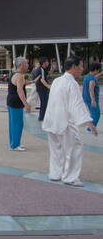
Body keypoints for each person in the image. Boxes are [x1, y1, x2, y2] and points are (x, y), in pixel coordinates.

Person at [42, 55, 98, 187]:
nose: (82, 69)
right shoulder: (71, 83)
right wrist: (89, 122)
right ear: (74, 67)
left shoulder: (57, 81)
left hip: (52, 120)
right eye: (81, 66)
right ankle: (70, 177)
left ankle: (55, 173)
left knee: (56, 149)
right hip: (65, 122)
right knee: (74, 148)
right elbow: (77, 104)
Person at [7, 57, 35, 152]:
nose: (27, 65)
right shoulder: (19, 76)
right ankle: (15, 145)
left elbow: (20, 84)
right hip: (16, 102)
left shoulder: (14, 74)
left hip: (11, 101)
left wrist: (31, 82)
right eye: (26, 64)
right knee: (18, 123)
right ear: (21, 65)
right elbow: (20, 91)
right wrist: (26, 104)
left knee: (13, 123)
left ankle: (14, 143)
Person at [82, 62, 102, 131]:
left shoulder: (88, 76)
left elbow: (95, 77)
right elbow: (91, 89)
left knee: (92, 113)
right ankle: (90, 129)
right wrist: (93, 100)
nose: (99, 71)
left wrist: (102, 73)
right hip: (91, 99)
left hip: (86, 98)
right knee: (97, 114)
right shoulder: (92, 79)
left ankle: (90, 126)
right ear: (96, 70)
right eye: (99, 70)